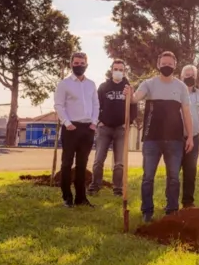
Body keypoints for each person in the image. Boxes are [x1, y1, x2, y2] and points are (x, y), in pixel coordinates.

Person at [122, 51, 194, 223]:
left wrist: (190, 136)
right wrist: (129, 94)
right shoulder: (149, 84)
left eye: (170, 64)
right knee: (148, 177)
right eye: (164, 64)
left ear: (175, 65)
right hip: (151, 139)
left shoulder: (181, 87)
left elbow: (186, 112)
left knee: (174, 177)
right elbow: (134, 99)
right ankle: (147, 211)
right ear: (158, 64)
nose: (167, 66)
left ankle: (172, 210)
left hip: (175, 139)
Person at [53, 52, 100, 208]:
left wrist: (94, 123)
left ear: (86, 64)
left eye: (82, 63)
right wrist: (67, 123)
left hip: (88, 128)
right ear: (71, 64)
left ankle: (81, 198)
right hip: (71, 128)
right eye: (76, 63)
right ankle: (67, 198)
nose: (79, 66)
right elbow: (59, 105)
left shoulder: (91, 84)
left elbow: (96, 104)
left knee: (82, 164)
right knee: (67, 163)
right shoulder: (64, 84)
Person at [89, 58, 137, 197]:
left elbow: (133, 107)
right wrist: (99, 121)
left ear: (124, 71)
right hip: (104, 129)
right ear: (112, 70)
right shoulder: (104, 87)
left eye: (121, 70)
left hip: (121, 129)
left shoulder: (128, 88)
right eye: (116, 69)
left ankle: (117, 188)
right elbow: (96, 105)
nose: (118, 72)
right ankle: (95, 185)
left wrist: (128, 122)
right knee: (98, 160)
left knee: (119, 163)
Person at [179, 64, 199, 208]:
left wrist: (195, 129)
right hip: (176, 139)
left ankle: (188, 202)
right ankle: (171, 203)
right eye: (186, 75)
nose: (189, 77)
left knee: (190, 171)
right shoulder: (175, 92)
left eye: (192, 75)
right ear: (181, 76)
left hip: (194, 138)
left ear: (195, 77)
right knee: (173, 172)